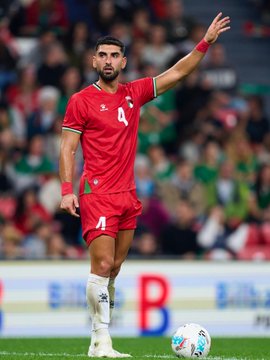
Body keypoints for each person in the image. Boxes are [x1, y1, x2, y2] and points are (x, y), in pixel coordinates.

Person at [59, 12, 230, 358]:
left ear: (123, 61)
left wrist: (205, 42)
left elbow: (178, 72)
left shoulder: (133, 93)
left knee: (115, 268)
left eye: (114, 55)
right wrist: (66, 190)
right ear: (93, 61)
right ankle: (102, 340)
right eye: (102, 55)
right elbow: (68, 147)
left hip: (127, 195)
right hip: (97, 193)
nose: (108, 61)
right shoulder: (81, 100)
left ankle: (97, 336)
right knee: (103, 265)